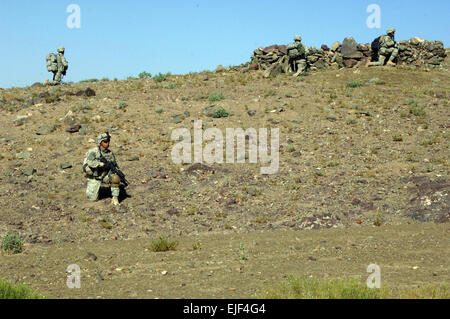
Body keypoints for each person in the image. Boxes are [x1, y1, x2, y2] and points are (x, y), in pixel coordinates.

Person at [83, 132, 122, 205]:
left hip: (104, 175)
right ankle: (97, 189)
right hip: (94, 176)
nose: (107, 143)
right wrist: (101, 164)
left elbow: (114, 164)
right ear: (100, 142)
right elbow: (90, 162)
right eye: (105, 141)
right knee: (92, 199)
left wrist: (116, 172)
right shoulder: (93, 151)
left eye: (108, 141)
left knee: (115, 178)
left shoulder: (109, 153)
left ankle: (115, 198)